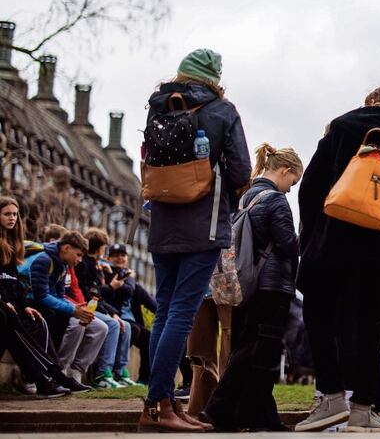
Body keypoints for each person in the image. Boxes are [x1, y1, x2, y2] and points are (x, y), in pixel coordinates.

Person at [296, 85, 380, 433]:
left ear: (368, 102)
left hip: (332, 251)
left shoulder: (341, 130)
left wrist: (313, 240)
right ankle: (365, 411)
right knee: (372, 330)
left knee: (322, 319)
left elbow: (310, 190)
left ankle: (329, 397)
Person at [139, 49, 252, 433]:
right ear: (213, 77)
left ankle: (165, 402)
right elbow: (241, 168)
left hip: (162, 220)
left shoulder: (161, 106)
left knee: (166, 310)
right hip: (203, 222)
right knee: (182, 313)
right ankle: (156, 404)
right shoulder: (222, 110)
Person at [204, 143, 303, 431]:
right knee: (258, 352)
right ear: (285, 171)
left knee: (255, 352)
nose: (290, 189)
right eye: (292, 181)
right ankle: (217, 410)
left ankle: (260, 415)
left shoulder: (247, 197)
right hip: (273, 286)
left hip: (247, 283)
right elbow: (288, 245)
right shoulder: (276, 201)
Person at [1, 196, 84, 397]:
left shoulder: (12, 244)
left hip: (11, 300)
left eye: (14, 214)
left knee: (37, 320)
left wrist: (23, 304)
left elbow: (13, 281)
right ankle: (45, 378)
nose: (12, 218)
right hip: (3, 304)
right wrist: (4, 302)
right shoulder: (45, 259)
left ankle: (53, 376)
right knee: (13, 320)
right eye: (6, 214)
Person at [19, 231, 108, 384]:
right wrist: (74, 310)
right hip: (22, 302)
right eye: (78, 255)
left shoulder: (62, 264)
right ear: (66, 248)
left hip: (36, 302)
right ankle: (33, 377)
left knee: (62, 316)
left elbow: (58, 296)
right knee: (53, 318)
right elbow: (41, 296)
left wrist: (75, 308)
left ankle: (55, 373)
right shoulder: (44, 260)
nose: (80, 260)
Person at [77, 228, 133, 388]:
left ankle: (120, 372)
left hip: (95, 306)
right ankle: (103, 373)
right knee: (114, 325)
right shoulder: (85, 265)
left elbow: (97, 295)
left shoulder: (96, 266)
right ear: (100, 248)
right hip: (86, 307)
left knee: (126, 326)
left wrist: (113, 312)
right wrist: (110, 289)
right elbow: (91, 294)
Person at [104, 243, 158, 384]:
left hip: (132, 320)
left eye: (122, 255)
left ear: (127, 258)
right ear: (108, 258)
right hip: (115, 317)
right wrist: (130, 279)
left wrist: (165, 314)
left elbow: (149, 301)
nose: (119, 259)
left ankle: (145, 379)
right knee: (132, 329)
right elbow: (126, 291)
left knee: (149, 337)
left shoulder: (131, 280)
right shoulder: (108, 275)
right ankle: (117, 372)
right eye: (115, 256)